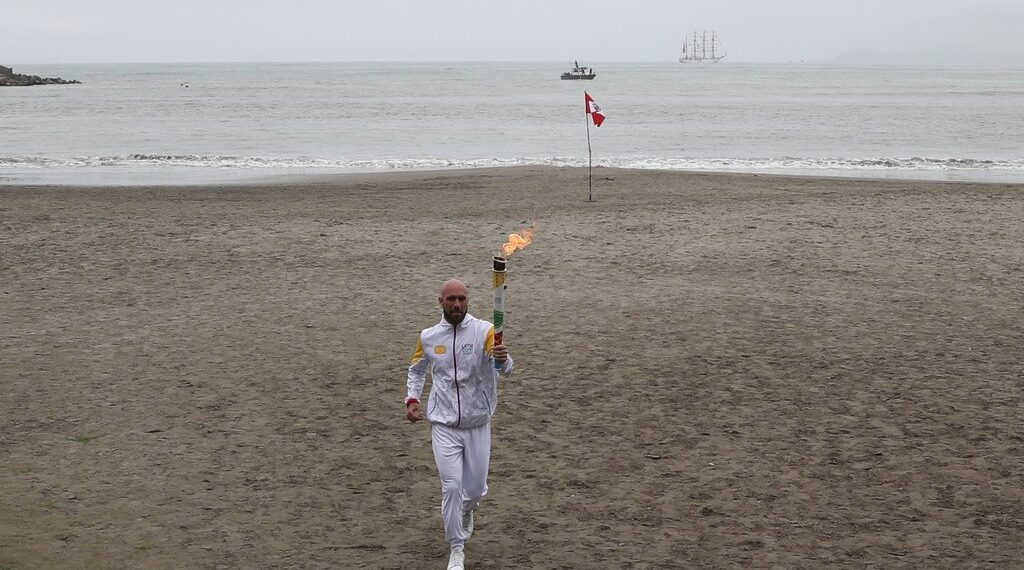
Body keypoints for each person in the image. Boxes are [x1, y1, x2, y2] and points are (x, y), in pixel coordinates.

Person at [406, 278, 515, 570]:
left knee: (475, 489)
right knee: (451, 486)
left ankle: (469, 509)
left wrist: (503, 361)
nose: (457, 304)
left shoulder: (485, 332)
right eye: (451, 299)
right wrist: (412, 399)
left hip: (478, 422)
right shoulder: (428, 337)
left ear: (468, 301)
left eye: (462, 299)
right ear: (441, 302)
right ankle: (456, 548)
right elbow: (416, 370)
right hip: (443, 425)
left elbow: (507, 369)